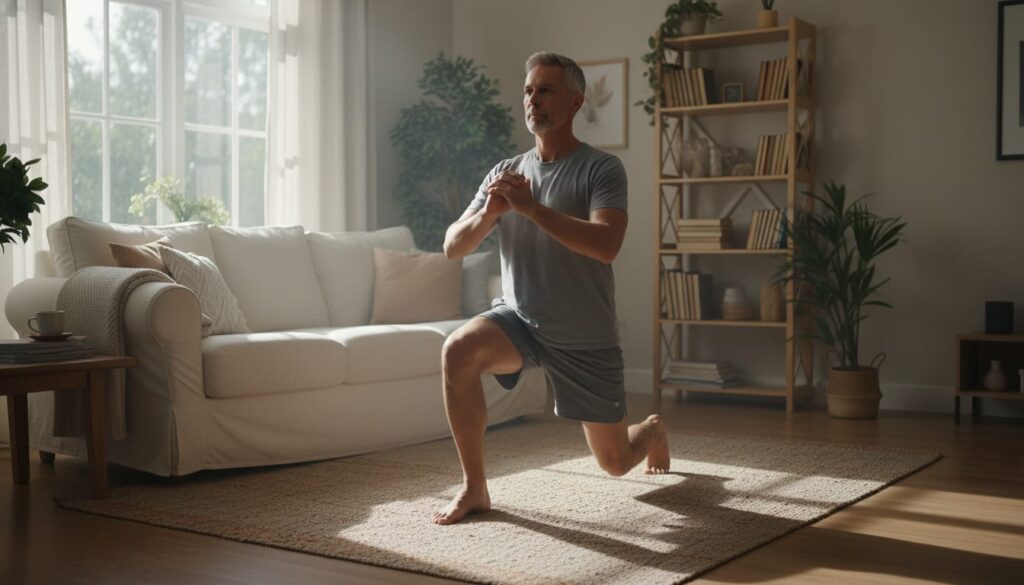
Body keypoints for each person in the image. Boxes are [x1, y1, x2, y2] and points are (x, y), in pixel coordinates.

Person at [433, 52, 670, 526]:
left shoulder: (601, 169)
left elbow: (607, 245)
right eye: (528, 90)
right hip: (519, 319)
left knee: (615, 463)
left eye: (545, 90)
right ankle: (475, 488)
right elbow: (452, 247)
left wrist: (532, 209)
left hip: (585, 333)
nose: (532, 100)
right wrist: (490, 213)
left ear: (576, 101)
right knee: (457, 351)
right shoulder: (504, 171)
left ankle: (653, 429)